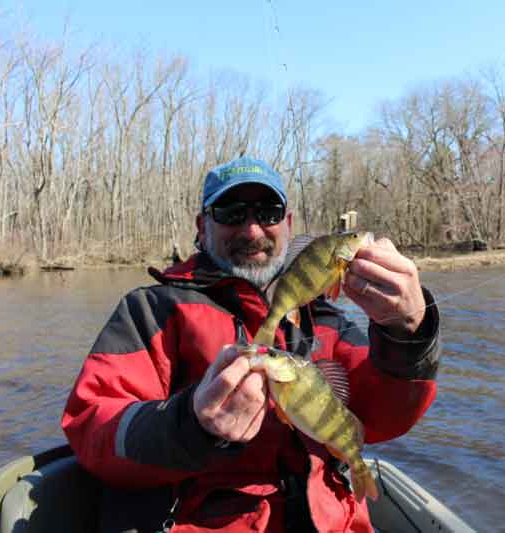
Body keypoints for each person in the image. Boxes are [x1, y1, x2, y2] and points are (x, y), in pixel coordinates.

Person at [62, 156, 441, 532]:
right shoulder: (152, 310)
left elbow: (384, 417)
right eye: (231, 212)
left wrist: (407, 333)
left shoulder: (322, 315)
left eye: (268, 212)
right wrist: (189, 424)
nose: (252, 229)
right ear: (202, 226)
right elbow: (91, 426)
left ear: (287, 224)